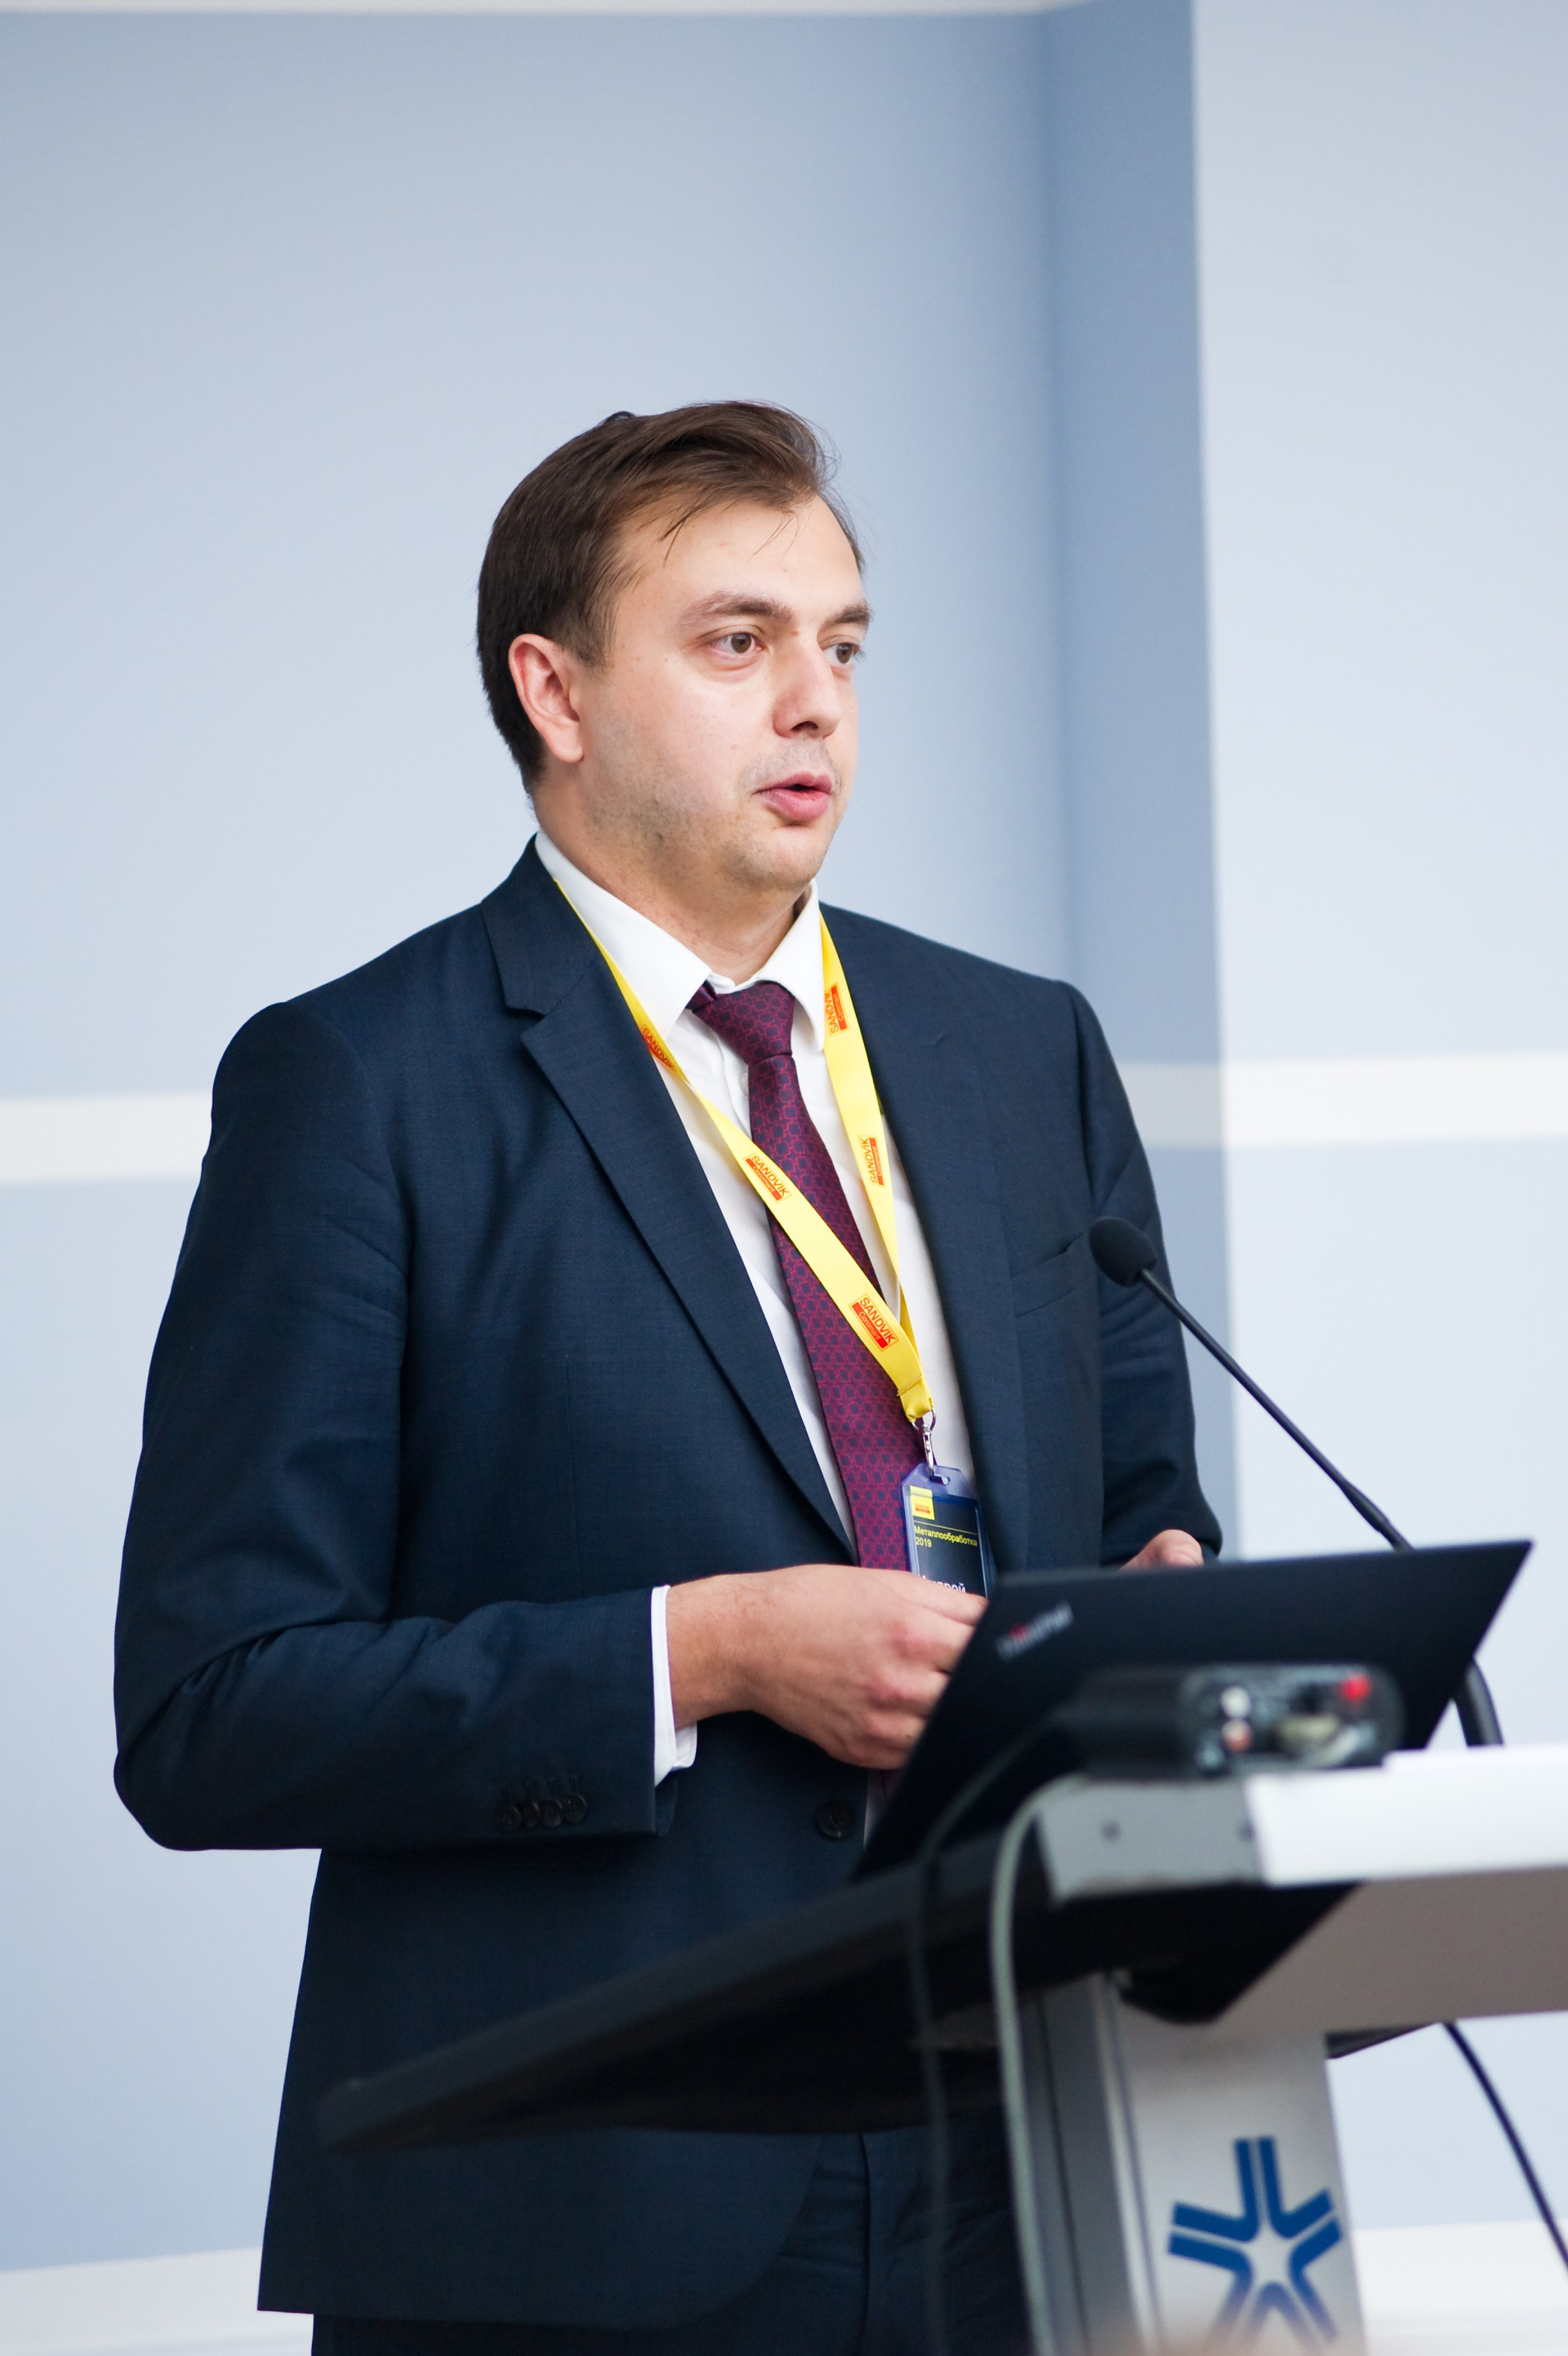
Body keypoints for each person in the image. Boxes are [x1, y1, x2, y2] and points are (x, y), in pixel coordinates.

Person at [114, 401, 1218, 2356]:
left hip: (1022, 2158)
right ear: (555, 691)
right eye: (737, 642)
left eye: (844, 644)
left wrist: (1163, 1606)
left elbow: (1146, 1505)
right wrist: (701, 1654)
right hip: (582, 2190)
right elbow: (214, 1711)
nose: (815, 702)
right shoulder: (359, 1085)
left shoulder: (1018, 1050)